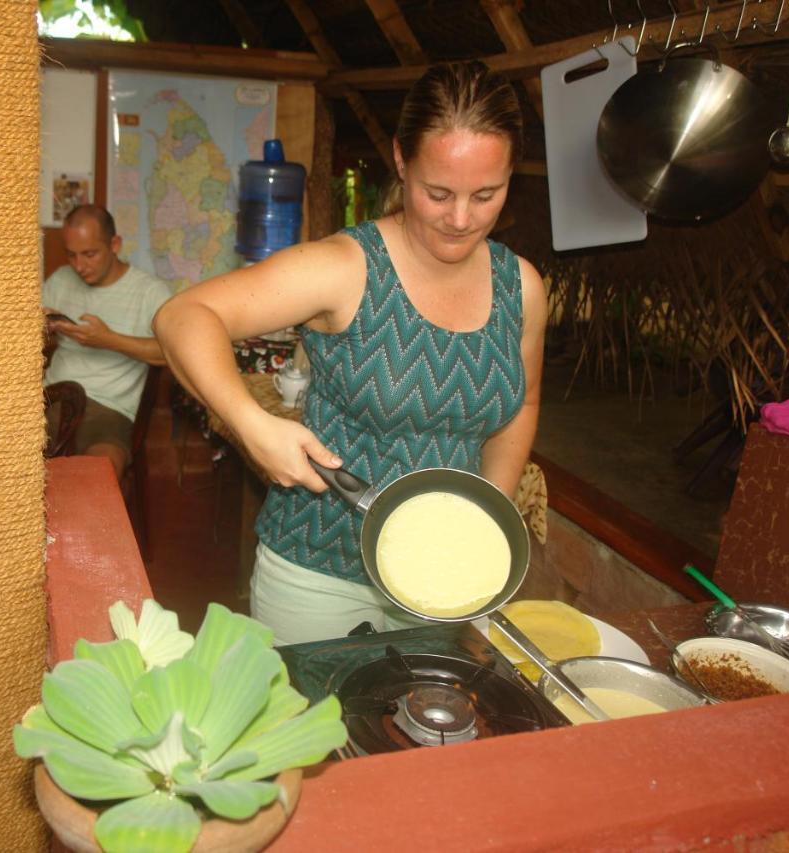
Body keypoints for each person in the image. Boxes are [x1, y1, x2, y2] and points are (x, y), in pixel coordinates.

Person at [153, 62, 547, 645]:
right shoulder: (345, 269)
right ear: (400, 160)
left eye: (486, 194)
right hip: (319, 574)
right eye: (437, 192)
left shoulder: (523, 287)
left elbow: (523, 404)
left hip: (438, 581)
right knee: (312, 734)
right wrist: (252, 422)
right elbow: (182, 317)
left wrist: (481, 527)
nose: (461, 219)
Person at [43, 205, 172, 479]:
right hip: (51, 399)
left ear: (115, 244)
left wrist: (109, 340)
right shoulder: (60, 281)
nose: (79, 266)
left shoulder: (150, 292)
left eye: (90, 254)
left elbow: (171, 353)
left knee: (97, 478)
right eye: (71, 255)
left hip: (108, 412)